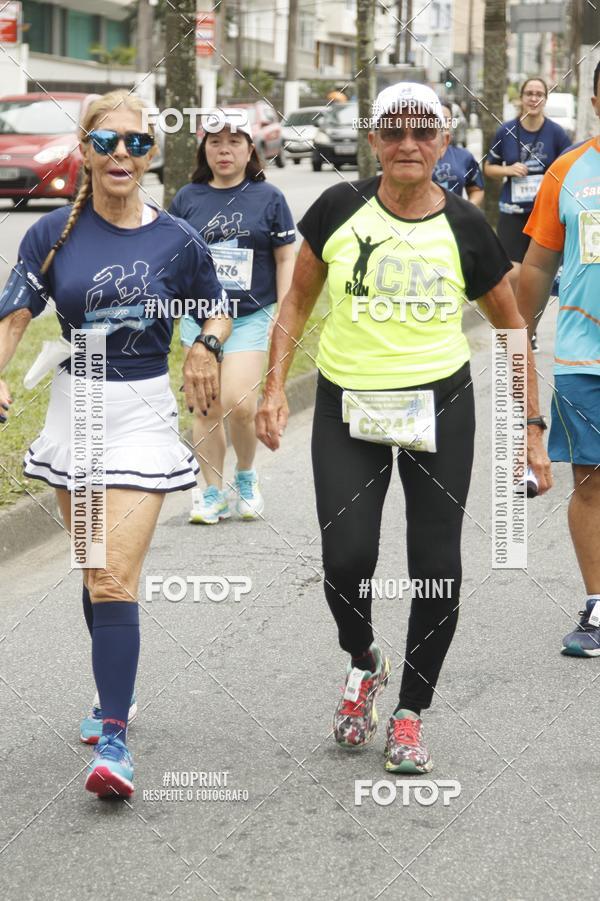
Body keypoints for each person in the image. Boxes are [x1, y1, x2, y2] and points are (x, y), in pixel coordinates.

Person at [256, 82, 551, 773]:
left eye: (424, 133)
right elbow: (295, 305)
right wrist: (274, 388)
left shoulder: (466, 225)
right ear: (374, 141)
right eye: (394, 132)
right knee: (345, 562)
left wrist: (530, 428)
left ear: (444, 143)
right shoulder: (338, 208)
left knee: (437, 568)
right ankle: (365, 660)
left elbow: (511, 328)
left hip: (439, 403)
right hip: (347, 403)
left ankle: (412, 713)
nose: (409, 145)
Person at [0, 90, 231, 798]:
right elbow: (15, 314)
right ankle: (112, 689)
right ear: (86, 153)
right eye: (106, 143)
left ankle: (114, 741)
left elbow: (216, 306)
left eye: (135, 142)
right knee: (92, 566)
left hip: (140, 411)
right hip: (76, 410)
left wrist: (205, 346)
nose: (121, 154)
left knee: (110, 576)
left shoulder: (178, 238)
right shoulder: (51, 235)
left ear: (152, 152)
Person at [171, 110, 295, 524]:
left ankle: (245, 475)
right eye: (215, 142)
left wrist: (284, 310)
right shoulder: (188, 198)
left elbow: (284, 257)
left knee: (239, 403)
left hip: (250, 315)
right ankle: (210, 491)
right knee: (204, 407)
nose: (224, 150)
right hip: (198, 318)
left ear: (250, 149)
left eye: (234, 142)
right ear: (204, 149)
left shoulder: (269, 198)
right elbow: (172, 260)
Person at [517, 60, 600, 658]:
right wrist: (516, 334)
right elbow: (540, 267)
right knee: (591, 485)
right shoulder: (568, 172)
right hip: (582, 359)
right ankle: (598, 605)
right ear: (596, 99)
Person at [483, 78, 571, 305]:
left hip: (543, 213)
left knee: (538, 275)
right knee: (511, 272)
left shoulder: (557, 133)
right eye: (529, 93)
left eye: (539, 94)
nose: (534, 98)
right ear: (521, 99)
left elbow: (569, 169)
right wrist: (508, 169)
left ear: (545, 99)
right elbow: (487, 168)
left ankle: (528, 330)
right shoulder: (506, 131)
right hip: (512, 211)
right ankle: (513, 325)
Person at [432, 103, 484, 206]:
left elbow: (476, 190)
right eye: (436, 118)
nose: (441, 123)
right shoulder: (414, 155)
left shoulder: (464, 156)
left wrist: (467, 209)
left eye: (445, 119)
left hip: (454, 220)